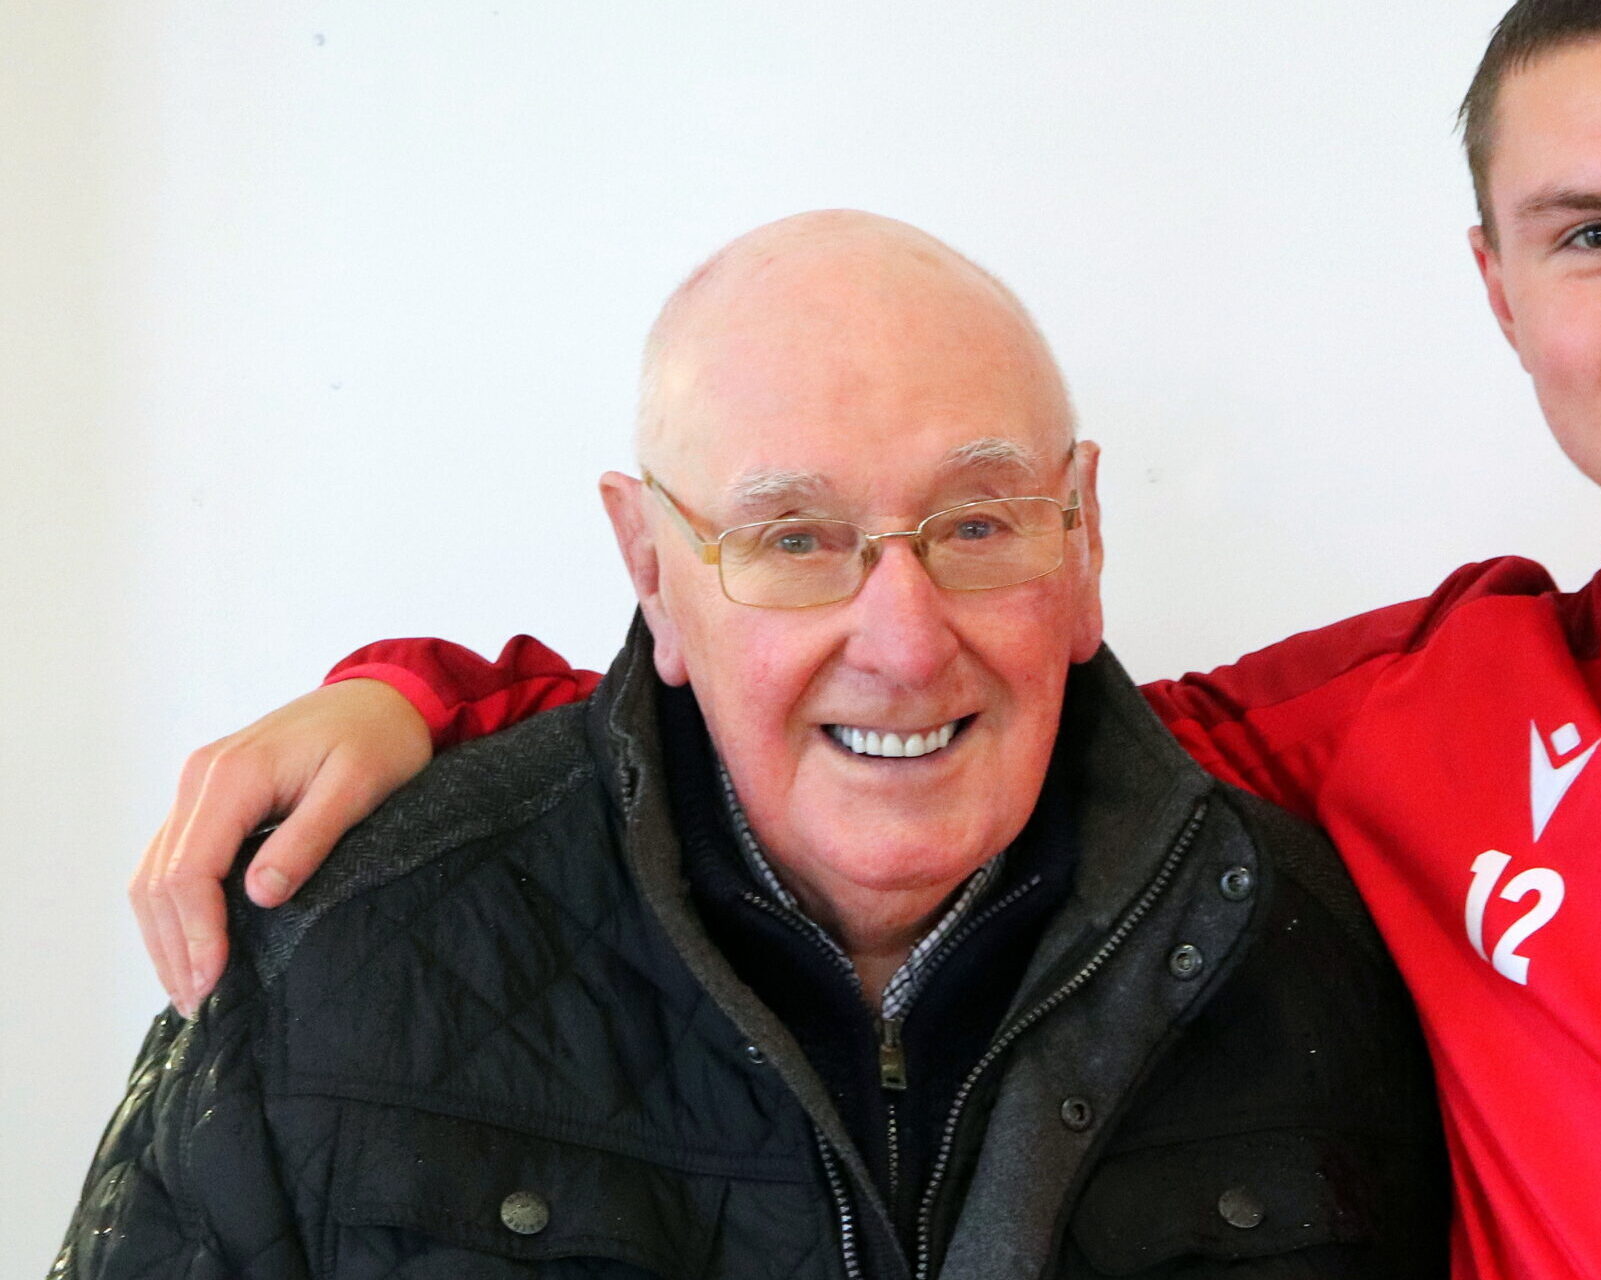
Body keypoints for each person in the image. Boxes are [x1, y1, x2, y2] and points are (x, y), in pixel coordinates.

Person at [125, 1, 1601, 1276]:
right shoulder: (1425, 714)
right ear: (1494, 285)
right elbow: (924, 687)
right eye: (1595, 232)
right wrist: (423, 693)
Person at [62, 211, 1449, 1278]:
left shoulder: (1318, 947)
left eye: (977, 525)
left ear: (1082, 537)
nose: (905, 642)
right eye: (795, 540)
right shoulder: (336, 956)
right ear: (652, 569)